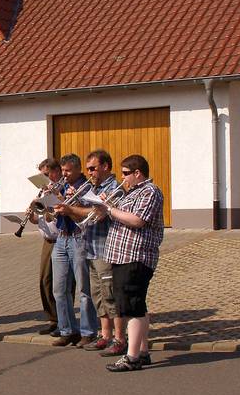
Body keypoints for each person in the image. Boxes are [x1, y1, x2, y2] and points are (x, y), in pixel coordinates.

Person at [99, 154, 165, 372]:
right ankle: (143, 352)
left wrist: (110, 209)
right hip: (121, 256)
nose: (123, 178)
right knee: (136, 306)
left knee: (133, 308)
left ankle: (132, 357)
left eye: (126, 174)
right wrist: (106, 203)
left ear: (138, 173)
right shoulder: (131, 193)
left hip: (136, 256)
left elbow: (137, 220)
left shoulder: (150, 191)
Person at [75, 150, 127, 355]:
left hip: (106, 247)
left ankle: (119, 338)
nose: (89, 173)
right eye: (88, 169)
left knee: (110, 294)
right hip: (91, 247)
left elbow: (100, 214)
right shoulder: (90, 187)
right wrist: (68, 202)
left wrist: (77, 209)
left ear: (105, 166)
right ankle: (104, 336)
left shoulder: (115, 188)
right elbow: (82, 214)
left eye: (93, 168)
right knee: (98, 295)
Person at [50, 154, 99, 347]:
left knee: (83, 289)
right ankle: (67, 330)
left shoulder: (86, 187)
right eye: (62, 170)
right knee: (59, 289)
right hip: (61, 238)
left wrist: (68, 204)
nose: (64, 174)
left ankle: (88, 331)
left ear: (78, 169)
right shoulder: (61, 185)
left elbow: (90, 213)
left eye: (68, 170)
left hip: (79, 237)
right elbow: (52, 214)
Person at [28, 158, 62, 335]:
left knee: (62, 283)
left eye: (46, 175)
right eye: (42, 175)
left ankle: (63, 320)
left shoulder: (61, 190)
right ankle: (52, 318)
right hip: (47, 241)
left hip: (61, 239)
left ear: (56, 172)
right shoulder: (42, 192)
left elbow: (56, 216)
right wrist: (32, 212)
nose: (44, 178)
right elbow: (37, 219)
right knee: (45, 280)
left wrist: (49, 202)